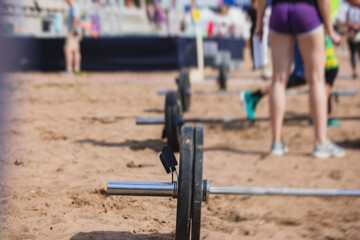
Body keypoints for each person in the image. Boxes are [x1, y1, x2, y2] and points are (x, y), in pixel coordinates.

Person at [255, 0, 345, 158]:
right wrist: (330, 30)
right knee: (316, 80)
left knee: (278, 79)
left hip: (279, 11)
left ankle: (276, 142)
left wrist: (259, 24)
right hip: (306, 11)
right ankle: (320, 143)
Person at [64, 0, 82, 74]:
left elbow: (76, 18)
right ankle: (76, 69)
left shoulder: (74, 6)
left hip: (74, 32)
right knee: (75, 50)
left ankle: (69, 69)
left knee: (67, 50)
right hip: (76, 31)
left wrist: (71, 30)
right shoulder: (74, 6)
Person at [346, 4, 360, 79]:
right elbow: (347, 20)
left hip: (358, 33)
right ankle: (354, 71)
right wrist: (352, 29)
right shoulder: (349, 9)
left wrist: (355, 28)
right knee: (352, 54)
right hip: (351, 34)